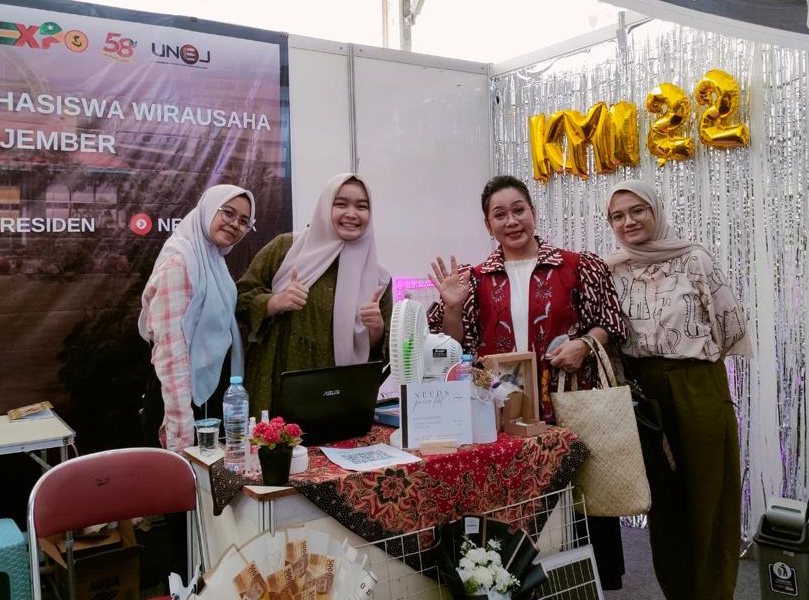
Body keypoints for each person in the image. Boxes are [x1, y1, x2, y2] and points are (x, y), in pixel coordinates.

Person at [427, 174, 627, 590]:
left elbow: (610, 321)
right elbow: (452, 345)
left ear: (533, 212)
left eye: (518, 210)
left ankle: (587, 587)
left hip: (571, 403)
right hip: (502, 413)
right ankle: (516, 584)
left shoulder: (578, 265)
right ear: (488, 225)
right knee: (515, 507)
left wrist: (584, 344)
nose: (511, 221)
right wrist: (452, 307)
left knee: (581, 503)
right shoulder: (473, 279)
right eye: (499, 215)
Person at [605, 180, 750, 600]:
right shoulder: (611, 270)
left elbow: (729, 326)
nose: (629, 221)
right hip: (645, 393)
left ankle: (714, 592)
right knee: (663, 503)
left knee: (709, 495)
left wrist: (686, 358)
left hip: (697, 386)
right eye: (618, 216)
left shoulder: (693, 259)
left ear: (655, 210)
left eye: (637, 210)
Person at [237, 173, 392, 417]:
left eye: (362, 207)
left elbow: (379, 353)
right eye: (341, 204)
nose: (352, 213)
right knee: (277, 441)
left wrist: (376, 328)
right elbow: (240, 300)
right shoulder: (286, 248)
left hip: (336, 394)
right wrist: (275, 302)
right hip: (276, 382)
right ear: (324, 207)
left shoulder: (378, 277)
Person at [138, 183, 256, 454]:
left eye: (244, 221)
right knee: (180, 480)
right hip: (178, 401)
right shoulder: (181, 264)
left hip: (208, 395)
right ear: (208, 210)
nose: (235, 224)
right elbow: (172, 354)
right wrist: (182, 434)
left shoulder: (214, 262)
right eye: (228, 213)